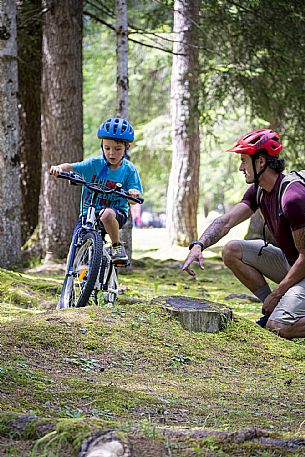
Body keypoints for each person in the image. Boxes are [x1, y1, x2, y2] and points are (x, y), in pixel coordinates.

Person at [182, 129, 305, 340]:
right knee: (232, 250)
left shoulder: (292, 198)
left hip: (302, 265)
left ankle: (276, 315)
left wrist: (278, 294)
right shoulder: (259, 190)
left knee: (279, 328)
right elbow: (226, 221)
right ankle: (272, 312)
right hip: (291, 263)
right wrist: (199, 245)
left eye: (244, 160)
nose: (240, 167)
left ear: (261, 161)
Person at [50, 117, 143, 264]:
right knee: (74, 250)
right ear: (102, 146)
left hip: (115, 213)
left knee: (106, 215)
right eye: (107, 148)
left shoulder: (129, 170)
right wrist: (59, 168)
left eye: (117, 149)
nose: (111, 153)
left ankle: (117, 247)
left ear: (127, 148)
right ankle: (72, 281)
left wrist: (132, 193)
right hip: (88, 214)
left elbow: (133, 200)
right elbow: (71, 166)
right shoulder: (94, 164)